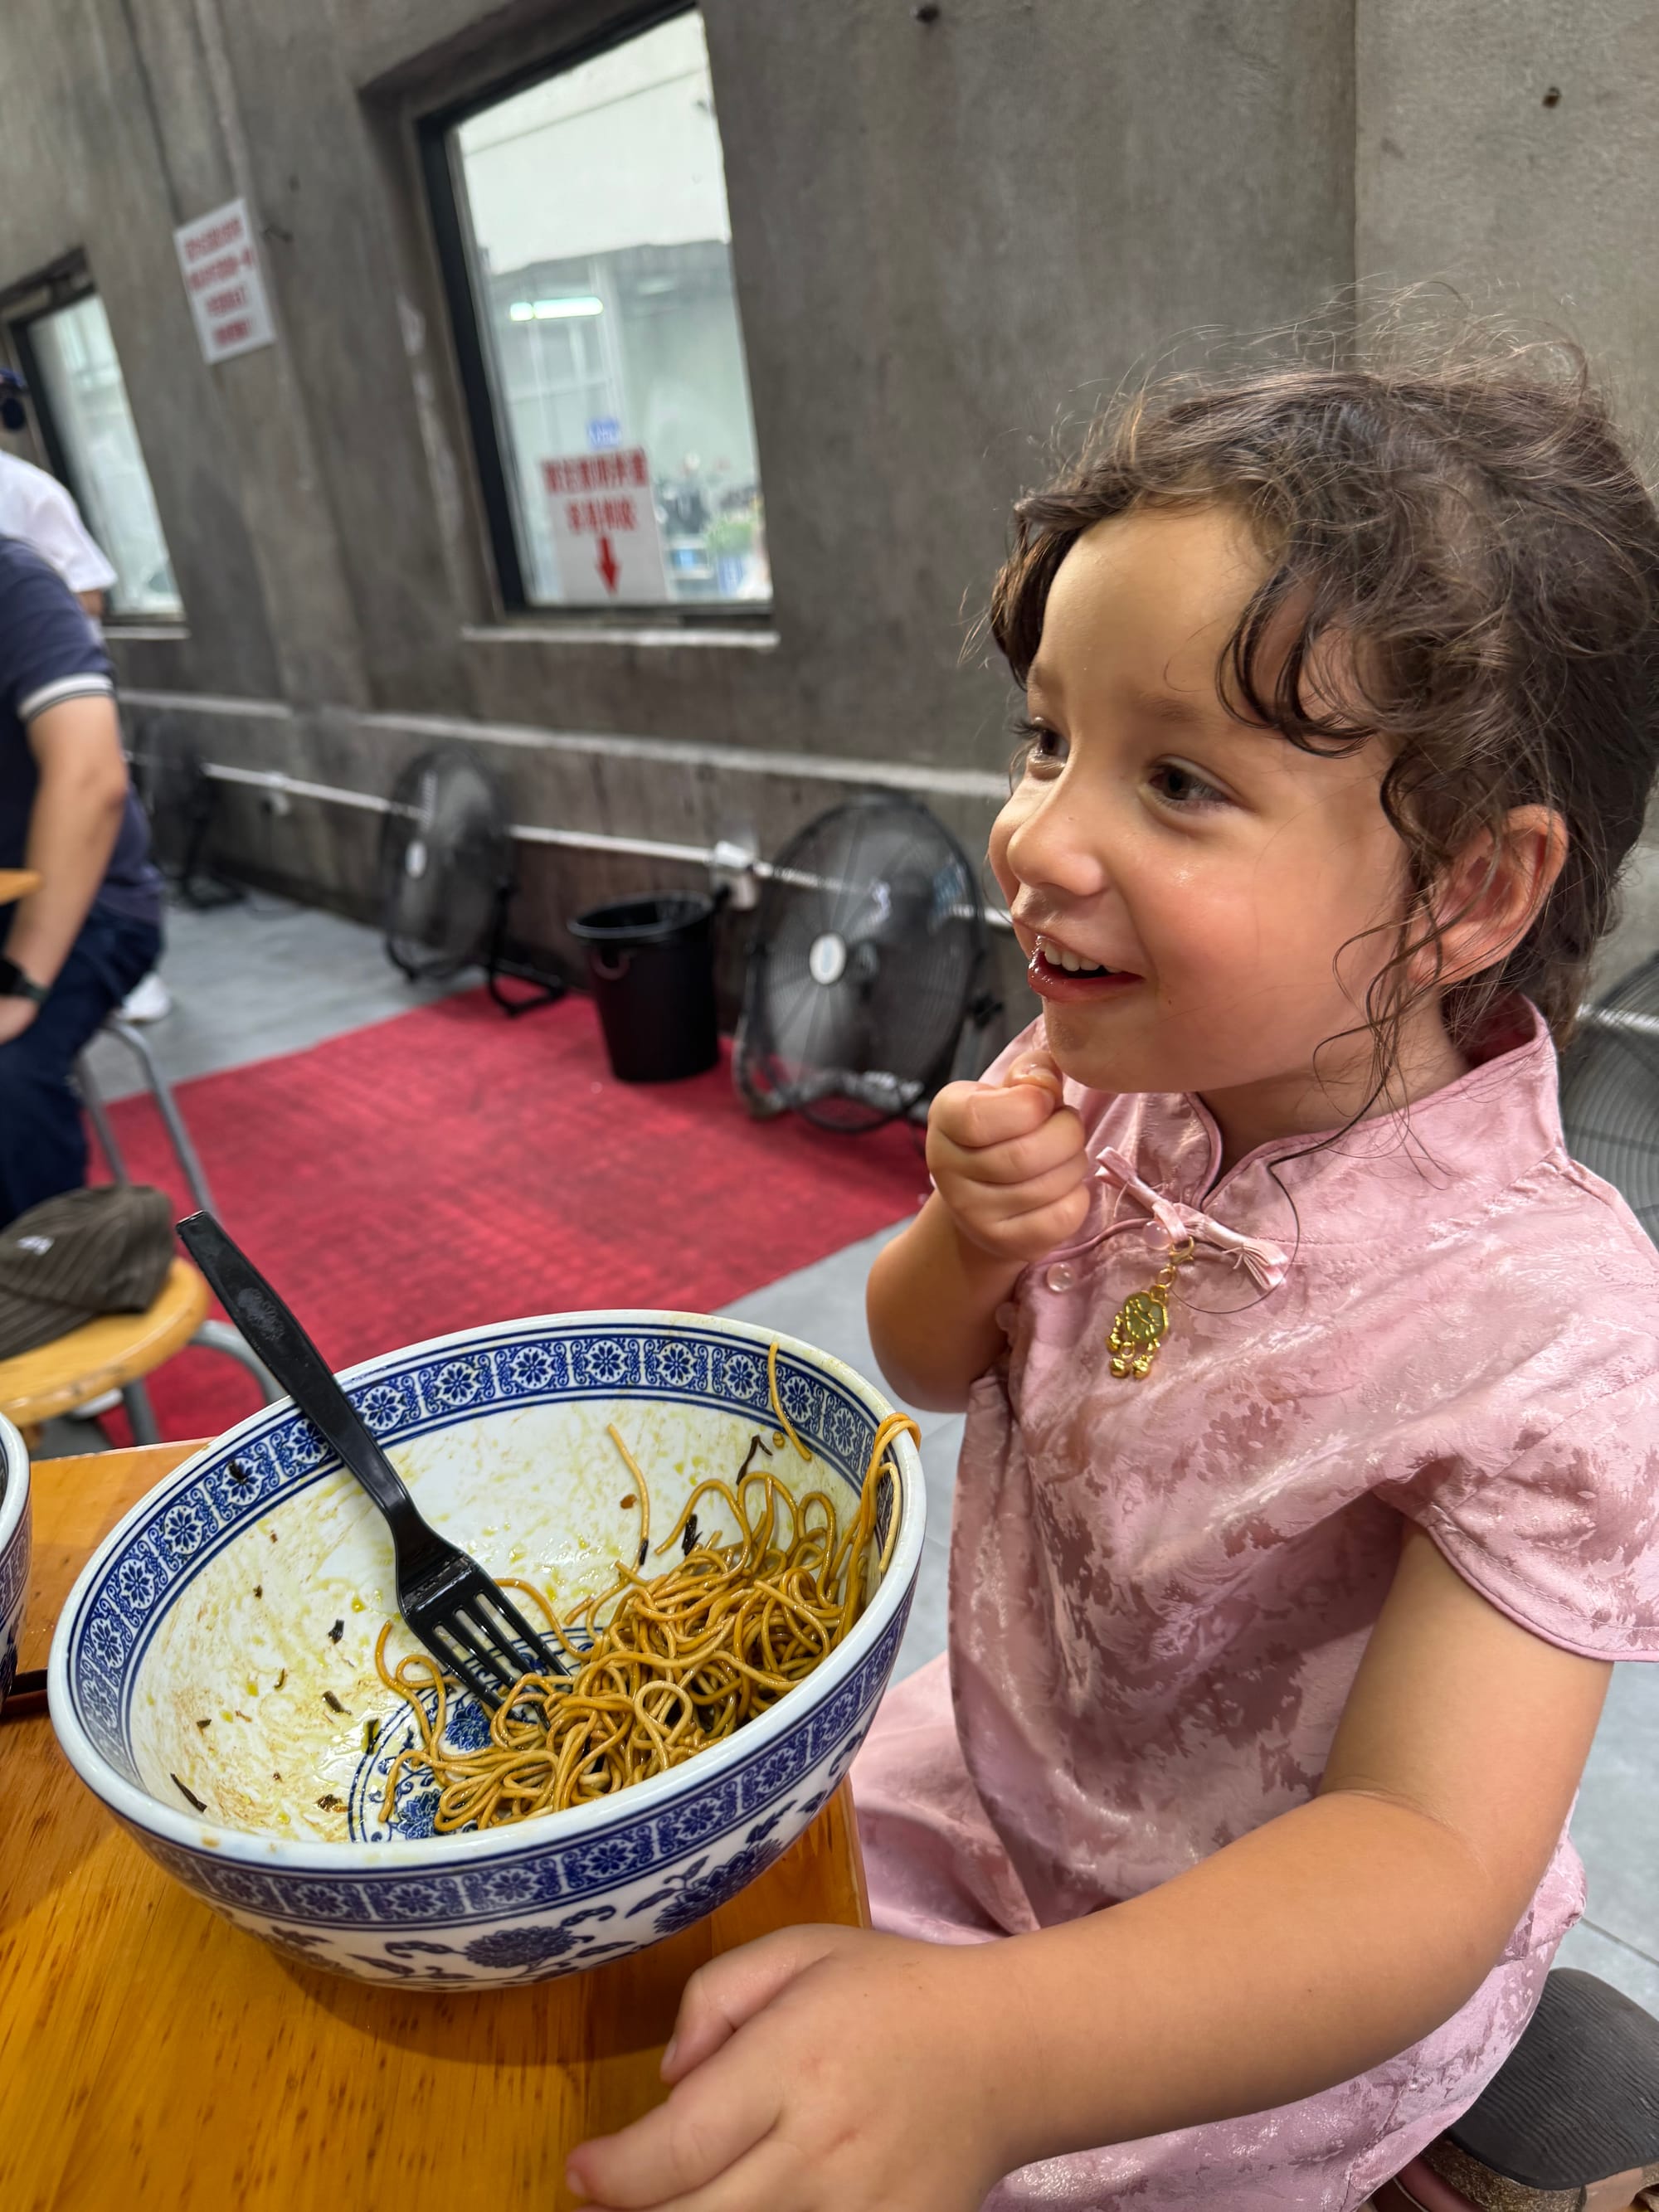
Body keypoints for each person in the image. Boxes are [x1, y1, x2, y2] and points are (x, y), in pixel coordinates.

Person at [565, 333, 1659, 2212]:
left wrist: (991, 2060)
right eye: (1045, 740)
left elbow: (1416, 1852)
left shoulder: (1546, 1330)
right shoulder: (1101, 1080)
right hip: (1005, 1789)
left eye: (1176, 781)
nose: (1036, 836)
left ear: (1467, 892)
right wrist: (962, 1237)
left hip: (1270, 1969)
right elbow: (924, 1363)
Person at [0, 533, 162, 1223]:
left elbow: (90, 777)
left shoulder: (14, 584)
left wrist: (20, 980)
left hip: (87, 902)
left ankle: (47, 1272)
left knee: (7, 1075)